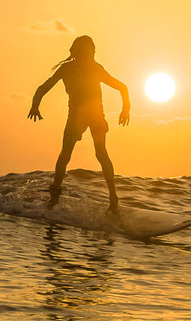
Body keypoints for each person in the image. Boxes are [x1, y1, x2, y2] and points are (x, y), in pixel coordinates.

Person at [27, 35, 130, 212]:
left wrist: (125, 109)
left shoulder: (96, 69)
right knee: (65, 156)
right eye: (83, 52)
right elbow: (44, 87)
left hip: (96, 116)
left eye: (90, 52)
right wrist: (35, 105)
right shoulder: (66, 69)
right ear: (76, 52)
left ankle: (114, 200)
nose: (87, 55)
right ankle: (54, 198)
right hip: (75, 117)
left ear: (93, 52)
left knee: (101, 154)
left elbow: (122, 87)